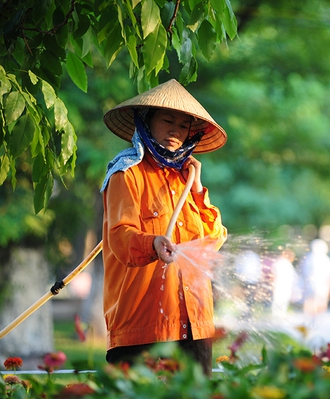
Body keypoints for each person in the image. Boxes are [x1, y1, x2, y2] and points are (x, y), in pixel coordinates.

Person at [100, 79, 228, 375]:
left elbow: (213, 239)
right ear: (146, 122)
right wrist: (152, 243)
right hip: (141, 326)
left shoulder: (188, 181)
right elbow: (120, 237)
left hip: (195, 326)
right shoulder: (126, 174)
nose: (175, 131)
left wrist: (196, 188)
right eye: (168, 120)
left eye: (183, 126)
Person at [301, 238, 330, 318]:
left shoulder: (308, 258)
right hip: (321, 285)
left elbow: (303, 273)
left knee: (310, 301)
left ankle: (309, 318)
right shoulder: (326, 259)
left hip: (310, 284)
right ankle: (317, 318)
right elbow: (329, 276)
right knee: (320, 302)